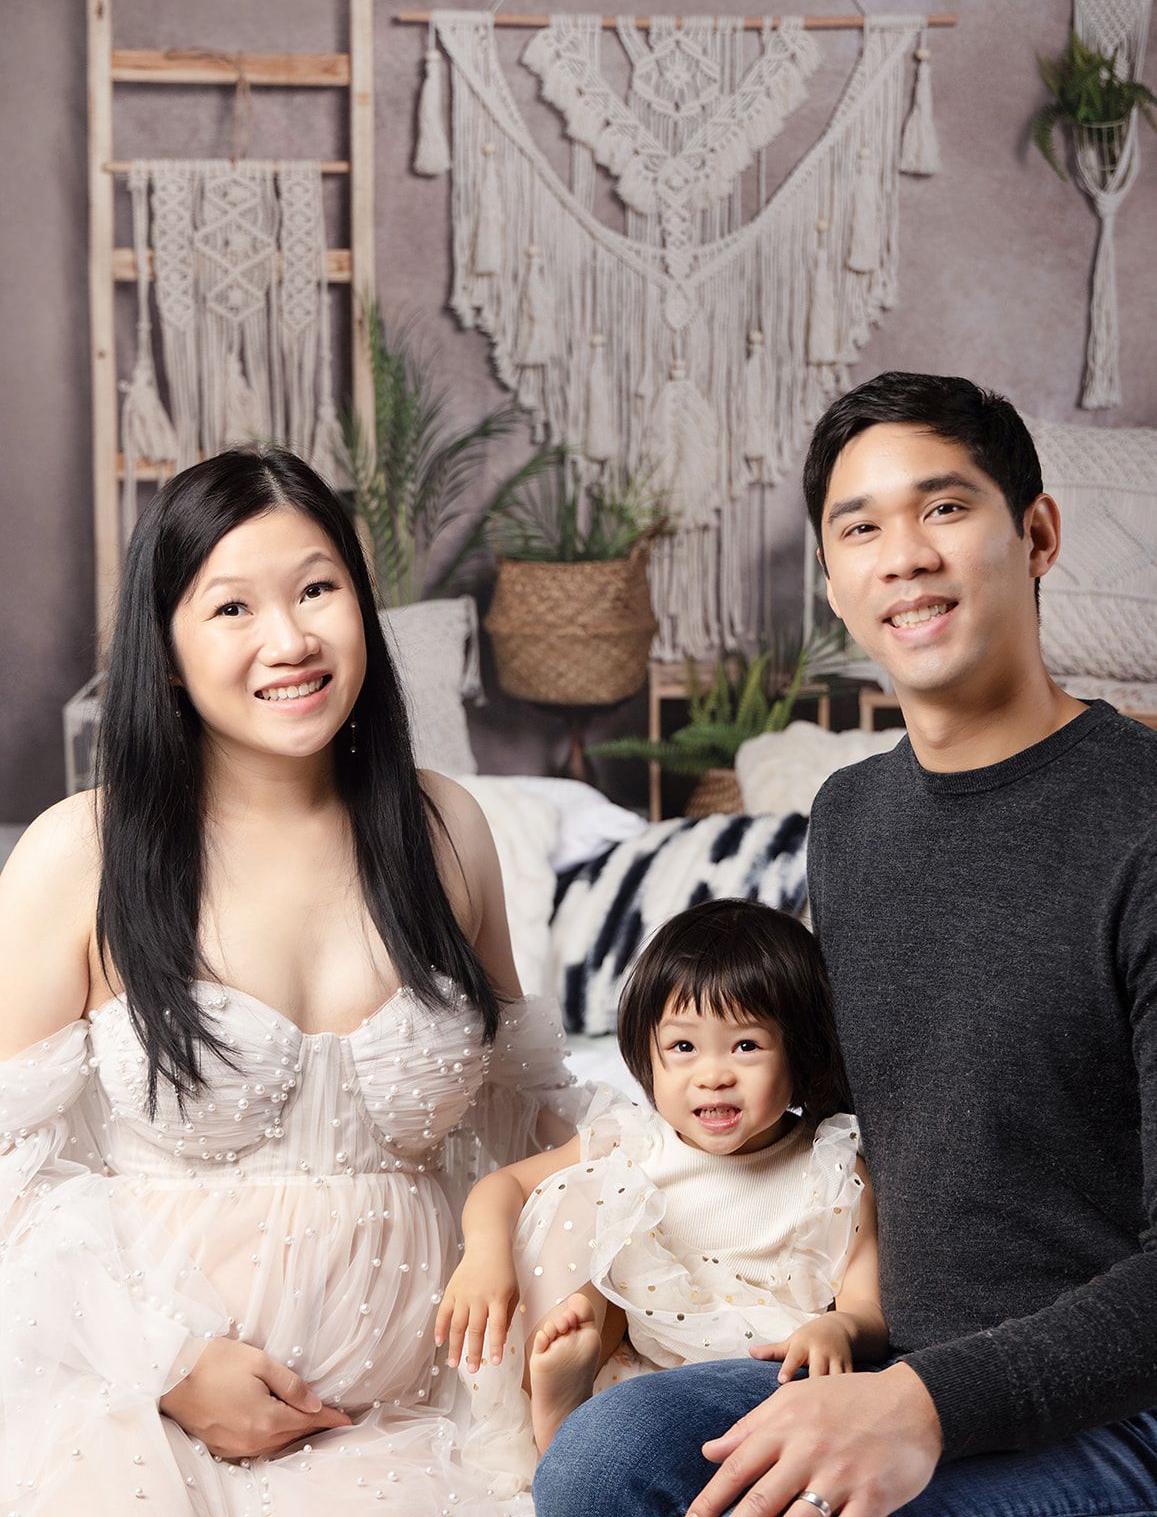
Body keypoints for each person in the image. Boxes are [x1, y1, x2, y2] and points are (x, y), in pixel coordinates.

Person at [533, 372, 1157, 1517]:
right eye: (858, 527)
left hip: (1113, 1409)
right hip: (894, 1359)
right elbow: (828, 1112)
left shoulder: (1140, 822)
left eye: (943, 508)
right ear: (832, 580)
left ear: (1036, 533)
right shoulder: (851, 822)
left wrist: (923, 1407)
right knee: (603, 1457)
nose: (902, 555)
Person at [0, 446, 587, 1515]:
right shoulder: (77, 852)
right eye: (232, 607)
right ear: (167, 651)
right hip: (145, 1426)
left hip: (426, 1422)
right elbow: (8, 1173)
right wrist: (168, 1361)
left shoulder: (446, 828)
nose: (291, 639)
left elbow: (531, 1122)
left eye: (318, 589)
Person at [435, 898, 886, 1481]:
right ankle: (562, 1417)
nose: (713, 1073)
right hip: (648, 1373)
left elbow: (866, 1304)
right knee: (583, 1190)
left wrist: (840, 1327)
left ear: (800, 1052)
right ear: (646, 1056)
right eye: (683, 1047)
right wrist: (484, 1257)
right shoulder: (636, 1144)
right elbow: (503, 1186)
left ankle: (588, 1446)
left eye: (746, 1046)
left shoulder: (830, 1165)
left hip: (769, 1379)